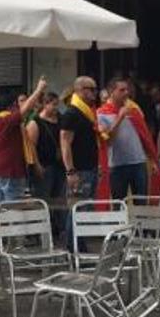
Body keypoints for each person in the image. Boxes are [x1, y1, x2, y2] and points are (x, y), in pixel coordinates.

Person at [95, 77, 160, 200]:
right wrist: (120, 117)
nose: (126, 93)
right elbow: (106, 141)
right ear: (112, 92)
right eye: (122, 90)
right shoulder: (101, 113)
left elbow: (145, 137)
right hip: (116, 166)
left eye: (127, 90)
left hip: (139, 163)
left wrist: (152, 159)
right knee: (119, 204)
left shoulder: (134, 111)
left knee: (141, 203)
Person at [0, 77, 47, 203]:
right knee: (12, 209)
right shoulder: (6, 120)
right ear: (11, 107)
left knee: (0, 208)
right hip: (10, 171)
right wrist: (39, 89)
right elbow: (24, 110)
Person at [61, 76, 101, 251]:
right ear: (79, 90)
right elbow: (65, 143)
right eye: (90, 89)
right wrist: (71, 171)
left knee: (84, 211)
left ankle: (80, 247)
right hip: (79, 171)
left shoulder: (87, 112)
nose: (94, 93)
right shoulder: (72, 113)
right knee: (77, 211)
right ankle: (74, 249)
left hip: (89, 169)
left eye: (95, 89)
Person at [27, 92, 65, 201]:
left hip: (59, 165)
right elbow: (31, 146)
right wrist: (37, 165)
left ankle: (58, 218)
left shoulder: (61, 119)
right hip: (44, 165)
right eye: (53, 105)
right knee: (43, 198)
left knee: (60, 199)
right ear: (45, 104)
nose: (56, 108)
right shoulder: (35, 122)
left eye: (57, 105)